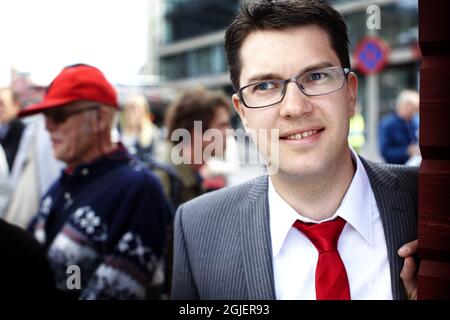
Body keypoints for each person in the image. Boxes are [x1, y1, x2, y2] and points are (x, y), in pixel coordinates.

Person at [172, 0, 419, 300]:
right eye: (264, 86)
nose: (294, 107)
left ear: (351, 93)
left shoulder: (429, 200)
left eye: (316, 77)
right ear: (243, 113)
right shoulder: (198, 230)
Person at [18, 64, 170, 299]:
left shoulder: (137, 188)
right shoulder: (62, 185)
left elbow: (116, 290)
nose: (47, 126)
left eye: (58, 115)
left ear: (100, 118)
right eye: (46, 116)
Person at [380, 90, 420, 164]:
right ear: (402, 106)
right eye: (413, 107)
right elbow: (385, 152)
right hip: (395, 169)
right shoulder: (388, 124)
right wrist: (407, 151)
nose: (414, 111)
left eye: (416, 108)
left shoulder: (416, 122)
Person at [120, 94, 162, 162]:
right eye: (130, 107)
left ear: (144, 111)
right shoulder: (117, 131)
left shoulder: (152, 133)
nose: (133, 112)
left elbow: (156, 160)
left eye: (137, 108)